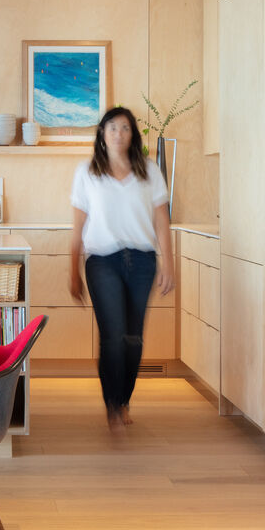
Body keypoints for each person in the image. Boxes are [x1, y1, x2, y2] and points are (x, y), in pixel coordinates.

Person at [69, 105, 175, 430]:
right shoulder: (87, 172)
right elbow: (78, 226)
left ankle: (124, 400)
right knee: (113, 336)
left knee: (134, 338)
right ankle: (112, 405)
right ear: (102, 133)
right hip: (102, 261)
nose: (118, 133)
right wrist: (71, 268)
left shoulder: (149, 171)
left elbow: (161, 219)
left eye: (125, 128)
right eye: (112, 127)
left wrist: (168, 262)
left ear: (133, 135)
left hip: (142, 261)